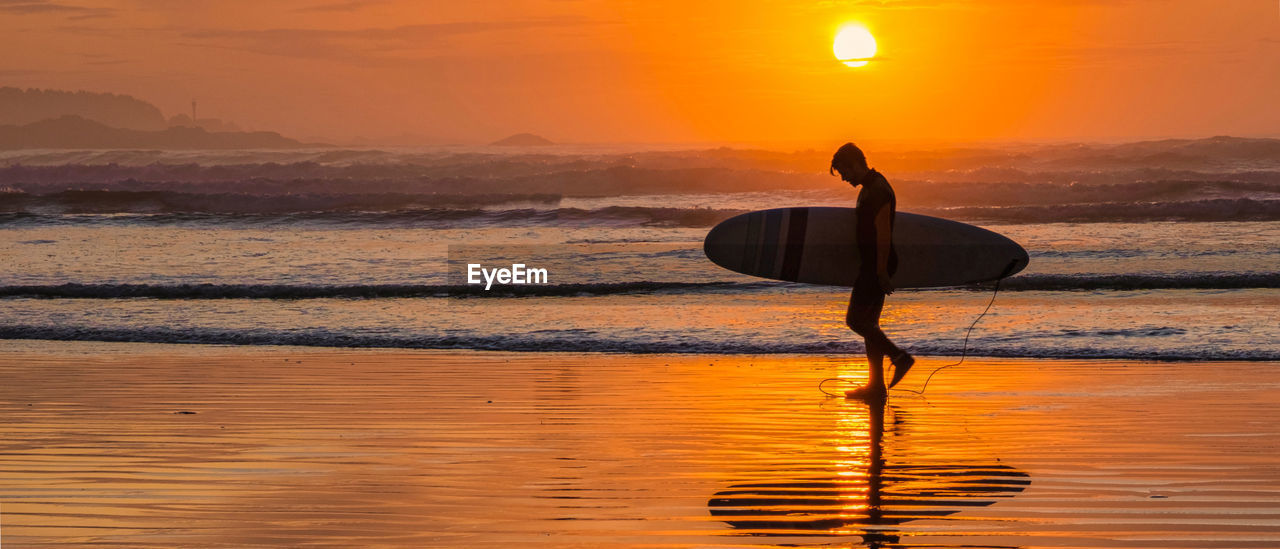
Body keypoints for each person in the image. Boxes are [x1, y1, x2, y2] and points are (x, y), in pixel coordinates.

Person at [830, 142, 914, 401]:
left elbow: (884, 233)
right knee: (870, 326)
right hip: (873, 263)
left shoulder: (877, 190)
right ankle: (876, 387)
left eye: (844, 171)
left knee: (855, 321)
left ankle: (900, 357)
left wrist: (880, 271)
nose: (843, 178)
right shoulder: (870, 186)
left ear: (855, 163)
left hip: (877, 264)